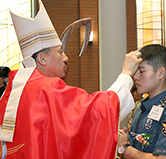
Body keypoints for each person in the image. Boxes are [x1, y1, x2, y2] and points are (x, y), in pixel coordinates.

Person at [0, 0, 142, 159]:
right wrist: (126, 74)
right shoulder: (47, 88)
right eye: (60, 52)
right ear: (42, 59)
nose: (66, 58)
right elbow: (96, 114)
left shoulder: (12, 92)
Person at [118, 44, 166, 159]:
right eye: (135, 71)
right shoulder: (143, 106)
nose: (136, 77)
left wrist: (125, 148)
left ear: (161, 73)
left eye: (141, 72)